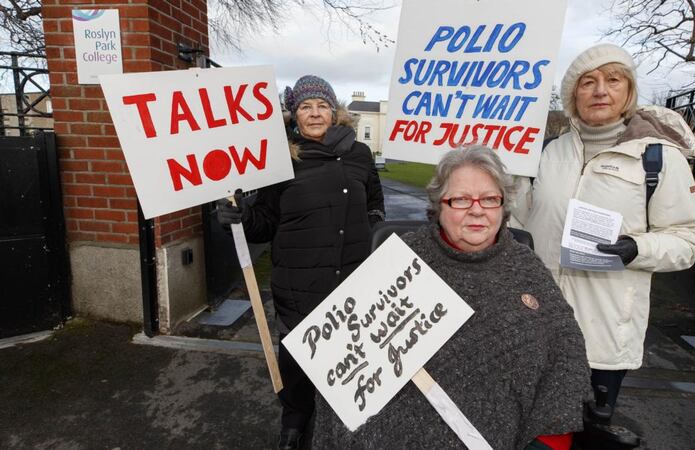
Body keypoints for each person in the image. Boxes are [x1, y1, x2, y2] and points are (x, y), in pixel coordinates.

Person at [312, 146, 591, 450]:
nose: (476, 209)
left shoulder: (527, 268)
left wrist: (551, 440)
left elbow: (566, 353)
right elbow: (338, 362)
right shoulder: (399, 261)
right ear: (438, 207)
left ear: (502, 206)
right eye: (460, 199)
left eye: (489, 198)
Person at [511, 44, 695, 429]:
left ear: (628, 93)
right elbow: (522, 222)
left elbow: (690, 239)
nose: (600, 90)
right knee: (529, 429)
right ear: (573, 96)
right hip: (536, 327)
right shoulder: (546, 154)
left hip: (602, 339)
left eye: (613, 79)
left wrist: (638, 248)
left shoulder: (659, 158)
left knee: (584, 432)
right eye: (588, 82)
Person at [217, 74, 385, 450]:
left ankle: (346, 424)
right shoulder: (280, 158)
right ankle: (294, 421)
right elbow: (264, 223)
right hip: (299, 282)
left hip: (355, 280)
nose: (314, 113)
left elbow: (374, 199)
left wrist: (373, 225)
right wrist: (240, 218)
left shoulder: (359, 154)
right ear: (295, 114)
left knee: (351, 356)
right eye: (305, 107)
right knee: (297, 362)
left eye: (321, 105)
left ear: (335, 111)